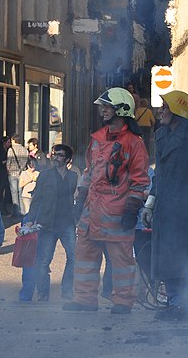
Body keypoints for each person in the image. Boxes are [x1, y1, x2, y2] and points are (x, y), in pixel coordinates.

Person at [63, 87, 150, 315]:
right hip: (92, 213)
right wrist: (80, 199)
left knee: (121, 261)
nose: (102, 110)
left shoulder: (133, 143)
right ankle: (84, 299)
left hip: (117, 213)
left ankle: (123, 302)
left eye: (107, 106)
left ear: (121, 109)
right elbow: (89, 173)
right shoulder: (98, 139)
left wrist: (132, 208)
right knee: (84, 258)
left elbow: (140, 180)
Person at [140, 91, 188, 320]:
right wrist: (150, 204)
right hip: (167, 209)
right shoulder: (161, 135)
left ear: (178, 111)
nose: (160, 111)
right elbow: (160, 172)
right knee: (170, 260)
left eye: (165, 107)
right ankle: (177, 306)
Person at [27, 144, 78, 302]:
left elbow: (73, 199)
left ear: (68, 159)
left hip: (67, 222)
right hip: (47, 222)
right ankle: (43, 293)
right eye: (54, 154)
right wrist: (30, 219)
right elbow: (37, 199)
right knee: (44, 260)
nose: (55, 158)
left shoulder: (73, 177)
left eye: (60, 155)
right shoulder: (45, 175)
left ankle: (67, 290)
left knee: (74, 256)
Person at [6, 135, 30, 217]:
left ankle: (16, 212)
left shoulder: (11, 150)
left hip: (12, 173)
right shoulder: (25, 150)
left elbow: (9, 161)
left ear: (13, 141)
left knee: (14, 192)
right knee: (21, 193)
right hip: (21, 173)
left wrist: (8, 170)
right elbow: (26, 161)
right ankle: (23, 211)